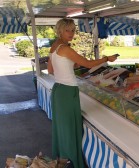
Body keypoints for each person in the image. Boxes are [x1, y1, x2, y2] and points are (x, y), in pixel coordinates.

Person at [47, 18, 117, 167]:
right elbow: (87, 64)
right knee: (71, 127)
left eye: (73, 30)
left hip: (58, 90)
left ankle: (62, 158)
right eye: (67, 30)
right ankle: (73, 160)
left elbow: (51, 70)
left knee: (62, 127)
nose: (71, 33)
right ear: (60, 30)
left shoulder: (55, 46)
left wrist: (67, 67)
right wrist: (106, 59)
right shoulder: (65, 49)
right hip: (68, 91)